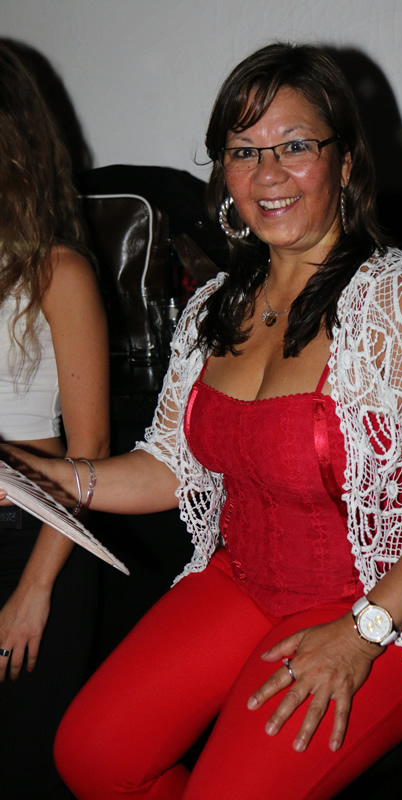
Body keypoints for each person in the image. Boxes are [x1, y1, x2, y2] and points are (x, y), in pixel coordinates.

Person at [1, 42, 402, 800]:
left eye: (295, 146)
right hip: (243, 582)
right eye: (244, 151)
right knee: (93, 758)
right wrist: (39, 476)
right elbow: (168, 468)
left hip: (378, 607)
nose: (268, 173)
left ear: (345, 162)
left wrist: (362, 634)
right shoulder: (215, 306)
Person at [0, 43, 110, 798]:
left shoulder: (57, 271)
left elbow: (92, 448)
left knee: (25, 767)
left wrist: (35, 588)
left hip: (31, 542)